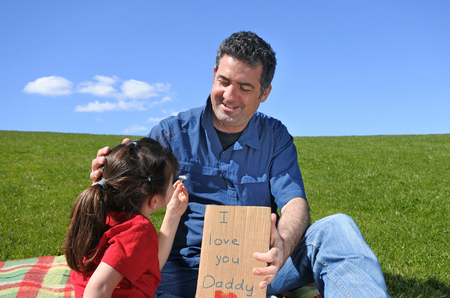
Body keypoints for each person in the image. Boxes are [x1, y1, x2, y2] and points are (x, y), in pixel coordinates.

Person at [91, 31, 389, 297]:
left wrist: (282, 246)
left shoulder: (275, 137)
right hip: (179, 274)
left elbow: (295, 202)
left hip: (259, 270)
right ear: (213, 74)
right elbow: (127, 193)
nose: (229, 96)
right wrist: (108, 180)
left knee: (337, 228)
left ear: (265, 93)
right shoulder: (171, 133)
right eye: (223, 81)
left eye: (245, 88)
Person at [65, 138, 188, 297]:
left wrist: (173, 214)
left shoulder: (102, 210)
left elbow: (150, 267)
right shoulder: (138, 231)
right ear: (155, 200)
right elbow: (97, 290)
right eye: (171, 181)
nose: (173, 184)